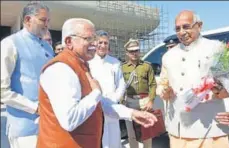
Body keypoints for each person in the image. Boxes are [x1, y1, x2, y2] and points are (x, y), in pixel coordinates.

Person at [37, 18, 157, 148]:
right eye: (88, 39)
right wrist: (96, 93)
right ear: (69, 42)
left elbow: (100, 103)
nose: (95, 44)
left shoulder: (82, 65)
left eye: (94, 39)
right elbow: (69, 120)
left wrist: (131, 114)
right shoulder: (60, 69)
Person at [157, 10, 229, 148]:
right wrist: (164, 91)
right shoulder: (168, 56)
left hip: (211, 128)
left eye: (186, 27)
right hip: (180, 130)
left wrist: (217, 89)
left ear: (199, 26)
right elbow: (162, 83)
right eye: (177, 28)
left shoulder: (216, 48)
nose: (181, 32)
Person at [0, 2, 54, 148]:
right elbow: (2, 91)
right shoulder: (10, 44)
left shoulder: (48, 47)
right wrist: (35, 108)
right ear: (28, 20)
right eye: (43, 20)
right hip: (25, 130)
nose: (47, 24)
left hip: (49, 126)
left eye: (48, 21)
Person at [88, 30, 125, 148]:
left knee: (113, 140)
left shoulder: (115, 63)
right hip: (95, 107)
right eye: (100, 42)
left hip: (112, 105)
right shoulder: (88, 62)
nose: (103, 46)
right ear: (94, 43)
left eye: (105, 43)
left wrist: (115, 99)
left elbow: (121, 84)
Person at [122, 38, 157, 148]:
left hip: (144, 101)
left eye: (136, 50)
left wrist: (151, 101)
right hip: (130, 101)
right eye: (131, 51)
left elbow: (153, 84)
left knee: (146, 131)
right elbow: (120, 86)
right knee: (131, 132)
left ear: (139, 51)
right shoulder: (122, 68)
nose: (134, 53)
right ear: (127, 53)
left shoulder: (147, 66)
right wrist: (122, 102)